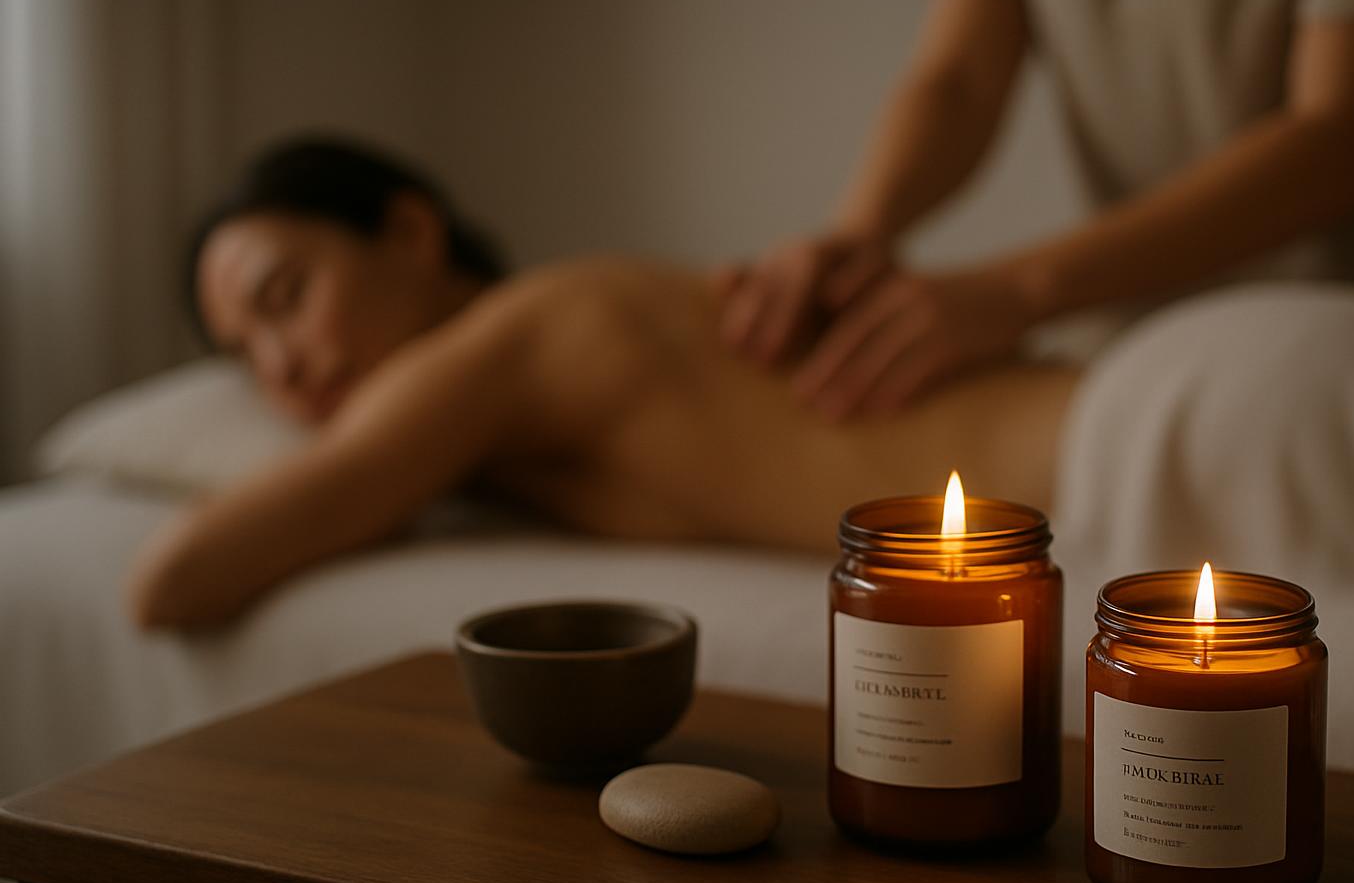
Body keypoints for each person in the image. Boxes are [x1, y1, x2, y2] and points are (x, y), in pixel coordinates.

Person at [128, 138, 1079, 628]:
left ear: (411, 234)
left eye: (285, 298)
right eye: (246, 355)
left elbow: (170, 583)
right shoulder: (520, 397)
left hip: (1122, 452)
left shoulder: (513, 338)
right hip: (1107, 471)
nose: (280, 366)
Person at [716, 0, 1354, 420]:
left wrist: (1014, 292)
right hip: (1145, 353)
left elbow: (1344, 135)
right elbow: (960, 75)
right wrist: (857, 235)